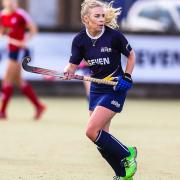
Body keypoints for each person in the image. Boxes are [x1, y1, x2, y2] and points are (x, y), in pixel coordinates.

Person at [64, 0, 137, 179]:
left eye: (103, 15)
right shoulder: (80, 40)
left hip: (114, 87)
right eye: (97, 16)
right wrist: (68, 72)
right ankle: (121, 174)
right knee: (101, 139)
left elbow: (131, 55)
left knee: (91, 131)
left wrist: (127, 76)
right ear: (86, 19)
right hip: (96, 89)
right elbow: (72, 66)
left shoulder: (114, 36)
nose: (101, 19)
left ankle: (128, 154)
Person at [0, 0, 45, 120]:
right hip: (11, 50)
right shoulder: (2, 15)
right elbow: (2, 32)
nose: (11, 3)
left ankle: (2, 112)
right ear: (3, 2)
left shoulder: (21, 14)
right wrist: (6, 35)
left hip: (19, 51)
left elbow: (33, 30)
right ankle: (39, 106)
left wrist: (24, 41)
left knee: (7, 79)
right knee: (18, 81)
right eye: (8, 1)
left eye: (14, 1)